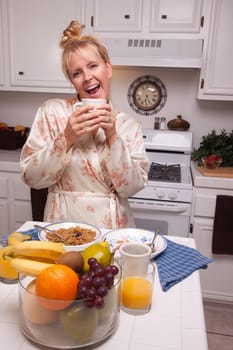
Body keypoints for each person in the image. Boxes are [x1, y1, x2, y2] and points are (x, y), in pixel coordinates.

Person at [20, 21, 149, 229]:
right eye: (77, 73)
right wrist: (67, 137)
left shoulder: (128, 125)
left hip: (113, 231)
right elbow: (31, 177)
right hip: (62, 227)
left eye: (93, 66)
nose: (87, 77)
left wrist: (112, 136)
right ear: (72, 81)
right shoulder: (52, 112)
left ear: (108, 68)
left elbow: (131, 188)